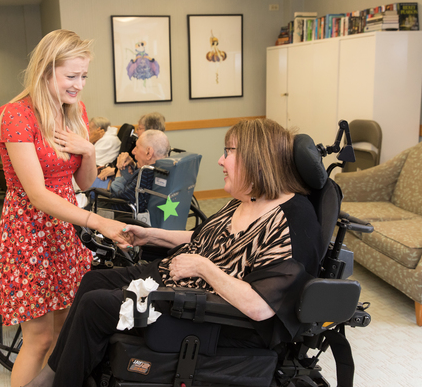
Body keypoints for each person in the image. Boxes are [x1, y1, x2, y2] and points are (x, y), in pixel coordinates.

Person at [24, 118, 324, 387]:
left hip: (210, 313)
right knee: (93, 281)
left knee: (95, 305)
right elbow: (204, 238)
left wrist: (203, 267)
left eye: (229, 152)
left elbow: (260, 307)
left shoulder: (291, 221)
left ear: (256, 160)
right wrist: (151, 234)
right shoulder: (249, 197)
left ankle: (57, 381)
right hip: (179, 280)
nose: (220, 160)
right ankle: (56, 374)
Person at [0, 29, 131, 387]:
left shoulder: (74, 110)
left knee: (65, 334)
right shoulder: (16, 115)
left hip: (62, 231)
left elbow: (84, 183)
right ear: (45, 70)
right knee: (39, 340)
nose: (79, 85)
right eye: (71, 76)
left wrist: (87, 150)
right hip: (29, 234)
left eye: (83, 76)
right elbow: (36, 195)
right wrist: (98, 222)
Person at [109, 129, 169, 214]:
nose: (133, 151)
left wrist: (119, 174)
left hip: (124, 214)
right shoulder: (164, 169)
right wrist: (132, 166)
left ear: (149, 152)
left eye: (137, 147)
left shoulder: (146, 173)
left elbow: (118, 197)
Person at [97, 112, 165, 180]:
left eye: (139, 128)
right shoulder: (158, 146)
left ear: (150, 130)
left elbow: (142, 174)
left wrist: (115, 171)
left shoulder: (150, 150)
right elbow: (138, 168)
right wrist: (132, 164)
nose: (136, 131)